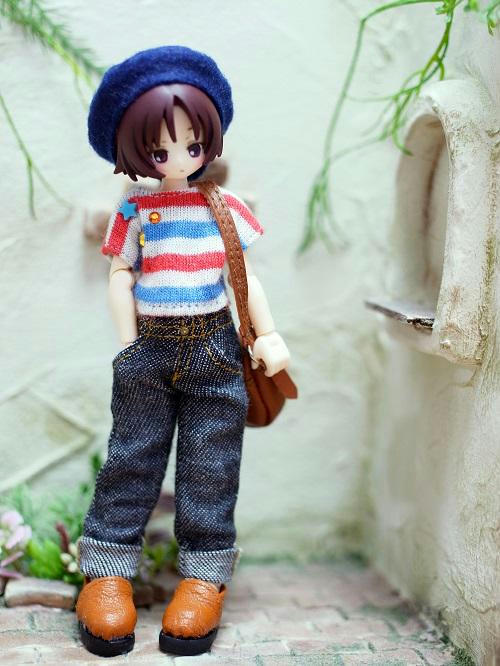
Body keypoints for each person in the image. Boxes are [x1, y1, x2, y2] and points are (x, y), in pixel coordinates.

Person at [75, 46, 290, 658]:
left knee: (210, 466)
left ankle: (204, 575)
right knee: (131, 459)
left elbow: (243, 276)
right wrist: (130, 346)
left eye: (192, 145)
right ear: (133, 151)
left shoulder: (222, 207)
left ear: (209, 142)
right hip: (149, 347)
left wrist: (267, 334)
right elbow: (121, 275)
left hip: (215, 347)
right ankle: (106, 570)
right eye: (158, 149)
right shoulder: (135, 210)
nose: (177, 158)